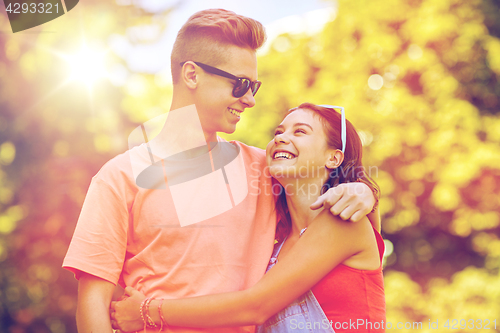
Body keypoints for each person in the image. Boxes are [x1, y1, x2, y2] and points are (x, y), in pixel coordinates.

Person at [63, 9, 379, 333]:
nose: (250, 100)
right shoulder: (119, 178)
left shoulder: (265, 168)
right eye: (240, 84)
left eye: (253, 87)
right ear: (192, 75)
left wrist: (364, 190)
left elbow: (327, 190)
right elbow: (93, 304)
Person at [110, 103, 385, 332]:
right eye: (279, 131)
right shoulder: (275, 241)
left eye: (300, 131)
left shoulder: (343, 221)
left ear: (334, 158)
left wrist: (148, 311)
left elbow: (254, 308)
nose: (281, 137)